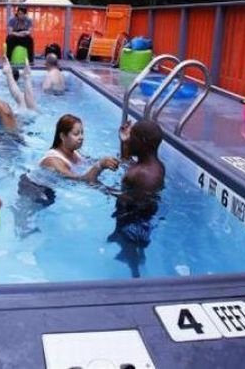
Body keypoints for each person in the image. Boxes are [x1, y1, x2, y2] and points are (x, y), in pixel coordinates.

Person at [108, 119, 165, 277]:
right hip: (131, 217)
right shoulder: (148, 166)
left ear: (143, 142)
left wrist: (96, 184)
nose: (129, 139)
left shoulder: (147, 176)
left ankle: (136, 278)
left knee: (132, 257)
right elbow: (128, 165)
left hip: (135, 225)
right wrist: (124, 143)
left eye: (132, 136)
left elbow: (131, 201)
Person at [39, 114, 119, 183]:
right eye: (76, 134)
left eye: (82, 133)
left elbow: (92, 162)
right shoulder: (53, 161)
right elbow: (82, 180)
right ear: (62, 136)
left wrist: (124, 144)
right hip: (41, 194)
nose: (81, 137)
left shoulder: (75, 152)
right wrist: (100, 165)